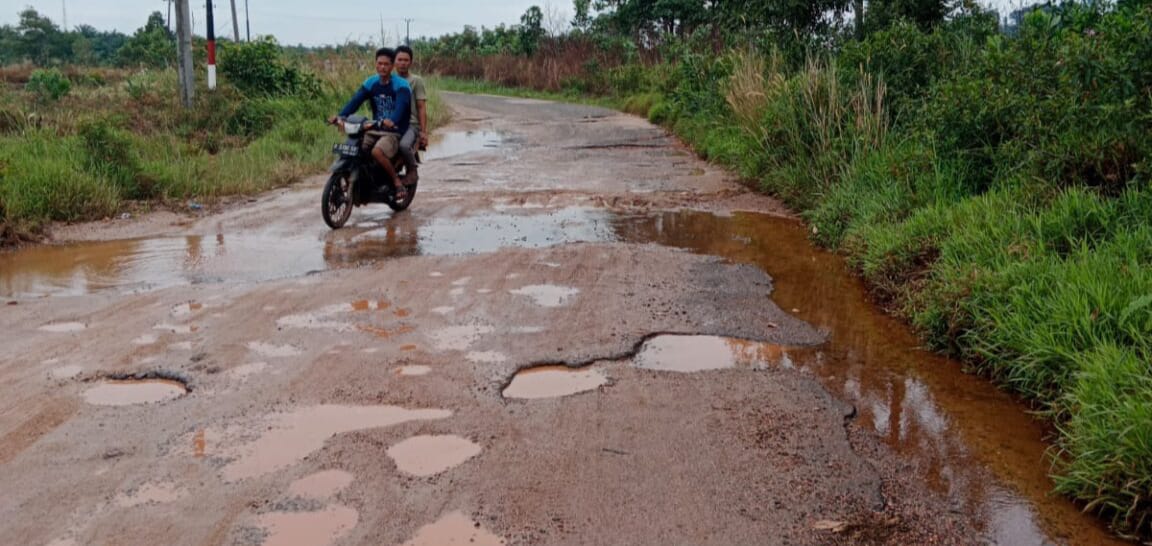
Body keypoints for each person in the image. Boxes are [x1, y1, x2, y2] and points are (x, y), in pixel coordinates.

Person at [330, 47, 412, 199]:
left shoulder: (401, 85)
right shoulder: (371, 82)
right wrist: (340, 116)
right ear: (375, 64)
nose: (382, 67)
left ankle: (396, 182)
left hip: (394, 131)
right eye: (379, 63)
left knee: (377, 151)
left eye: (386, 64)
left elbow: (401, 106)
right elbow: (355, 101)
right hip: (374, 128)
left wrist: (392, 120)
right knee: (356, 149)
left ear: (392, 66)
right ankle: (364, 181)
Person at [393, 45, 427, 185]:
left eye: (406, 60)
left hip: (410, 125)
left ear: (411, 62)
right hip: (391, 123)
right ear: (394, 61)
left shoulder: (416, 81)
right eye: (400, 59)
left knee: (404, 146)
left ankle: (413, 171)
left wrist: (423, 132)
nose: (402, 63)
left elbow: (421, 106)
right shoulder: (389, 79)